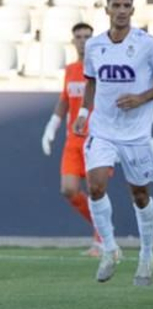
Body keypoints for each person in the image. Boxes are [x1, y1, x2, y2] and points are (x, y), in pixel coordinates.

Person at [74, 0, 153, 286]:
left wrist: (142, 97)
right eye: (116, 5)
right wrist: (84, 113)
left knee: (140, 195)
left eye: (127, 6)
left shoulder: (146, 44)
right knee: (95, 186)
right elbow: (91, 81)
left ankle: (147, 253)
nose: (121, 10)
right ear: (106, 9)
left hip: (135, 134)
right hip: (103, 130)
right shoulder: (94, 46)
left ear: (133, 10)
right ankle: (110, 249)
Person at [41, 21, 101, 253]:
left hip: (96, 138)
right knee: (69, 189)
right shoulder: (71, 70)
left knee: (96, 190)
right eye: (79, 36)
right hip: (73, 140)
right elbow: (65, 100)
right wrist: (51, 127)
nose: (83, 40)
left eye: (87, 36)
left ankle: (101, 239)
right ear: (73, 40)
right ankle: (102, 227)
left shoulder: (100, 69)